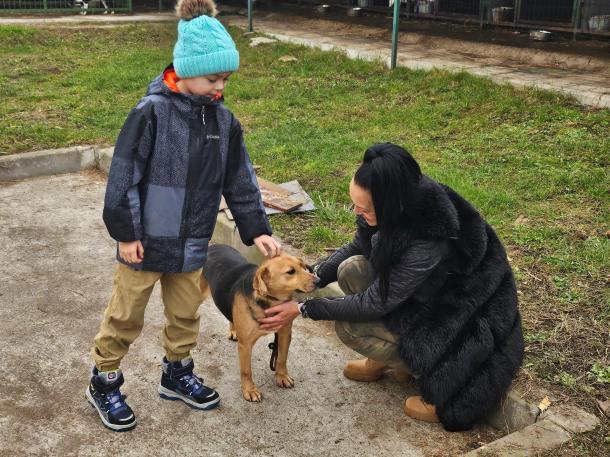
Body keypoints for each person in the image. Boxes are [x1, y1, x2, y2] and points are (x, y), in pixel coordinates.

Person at [86, 0, 281, 431]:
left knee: (185, 313)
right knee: (126, 315)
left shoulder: (224, 122)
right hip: (145, 241)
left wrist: (256, 229)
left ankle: (176, 372)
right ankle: (105, 379)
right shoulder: (150, 112)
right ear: (186, 67)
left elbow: (241, 178)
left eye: (226, 79)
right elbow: (123, 175)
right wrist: (125, 232)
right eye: (213, 77)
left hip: (193, 241)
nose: (220, 87)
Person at [259, 143, 524, 431]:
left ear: (390, 203)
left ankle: (429, 378)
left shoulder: (429, 239)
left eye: (364, 208)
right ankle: (387, 359)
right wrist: (316, 276)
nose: (358, 213)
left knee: (349, 327)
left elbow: (376, 303)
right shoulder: (398, 202)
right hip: (425, 295)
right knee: (352, 268)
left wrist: (303, 308)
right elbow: (357, 245)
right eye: (355, 205)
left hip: (457, 320)